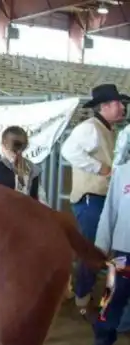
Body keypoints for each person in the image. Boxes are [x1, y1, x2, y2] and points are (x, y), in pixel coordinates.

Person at [60, 83, 128, 310]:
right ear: (105, 106)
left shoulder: (106, 129)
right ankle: (82, 294)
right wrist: (100, 168)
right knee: (93, 249)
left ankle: (88, 294)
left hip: (101, 197)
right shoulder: (90, 128)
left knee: (101, 249)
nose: (122, 107)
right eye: (118, 103)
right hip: (91, 197)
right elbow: (68, 151)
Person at [75, 161, 130, 345]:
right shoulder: (123, 172)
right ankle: (100, 344)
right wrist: (101, 247)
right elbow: (110, 210)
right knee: (110, 298)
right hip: (122, 250)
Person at [0, 125, 49, 206]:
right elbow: (43, 202)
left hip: (0, 213)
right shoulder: (33, 170)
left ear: (3, 146)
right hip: (27, 213)